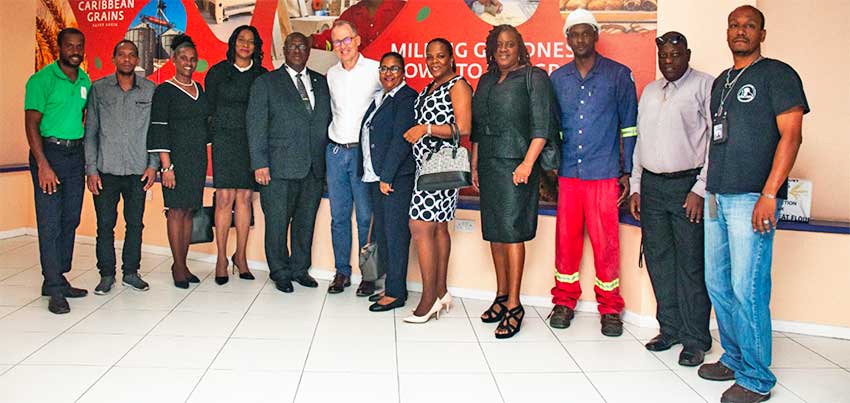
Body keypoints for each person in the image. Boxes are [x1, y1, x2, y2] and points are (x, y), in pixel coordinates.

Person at [698, 6, 808, 403]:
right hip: (716, 195)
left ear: (762, 33)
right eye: (734, 25)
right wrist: (705, 189)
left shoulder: (778, 74)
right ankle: (734, 356)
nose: (740, 32)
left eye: (749, 26)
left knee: (748, 287)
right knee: (718, 282)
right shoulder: (722, 82)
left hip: (751, 199)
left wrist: (768, 194)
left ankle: (757, 378)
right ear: (726, 32)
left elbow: (791, 137)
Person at [548, 9, 637, 336]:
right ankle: (564, 301)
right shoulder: (557, 79)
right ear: (568, 39)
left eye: (587, 33)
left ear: (596, 36)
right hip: (569, 173)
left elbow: (629, 128)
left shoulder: (618, 75)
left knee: (606, 243)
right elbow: (553, 128)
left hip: (604, 173)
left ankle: (610, 308)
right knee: (566, 242)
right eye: (575, 34)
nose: (581, 39)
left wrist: (626, 170)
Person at [628, 31, 713, 366]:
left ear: (687, 54)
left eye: (675, 55)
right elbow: (641, 143)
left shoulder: (704, 86)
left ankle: (695, 339)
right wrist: (636, 185)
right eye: (663, 56)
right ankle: (670, 328)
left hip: (686, 188)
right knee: (660, 262)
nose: (669, 62)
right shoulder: (650, 91)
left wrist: (700, 188)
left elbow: (714, 142)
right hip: (651, 187)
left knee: (691, 264)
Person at [471, 25, 556, 338]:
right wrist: (475, 164)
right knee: (495, 234)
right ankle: (501, 295)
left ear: (519, 47)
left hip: (518, 167)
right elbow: (478, 127)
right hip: (491, 166)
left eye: (509, 44)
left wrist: (527, 164)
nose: (504, 49)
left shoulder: (535, 77)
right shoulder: (486, 79)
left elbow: (542, 127)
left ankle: (515, 305)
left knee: (512, 233)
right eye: (498, 44)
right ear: (492, 50)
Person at [247, 32, 330, 293]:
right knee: (277, 223)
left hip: (313, 168)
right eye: (292, 45)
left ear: (308, 51)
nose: (297, 49)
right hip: (278, 168)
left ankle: (299, 269)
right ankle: (280, 271)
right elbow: (256, 125)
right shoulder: (266, 82)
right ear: (284, 49)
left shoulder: (321, 81)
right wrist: (259, 163)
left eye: (302, 46)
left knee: (305, 222)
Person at [402, 38, 473, 323]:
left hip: (440, 165)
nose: (434, 61)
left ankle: (428, 298)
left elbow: (464, 127)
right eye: (429, 56)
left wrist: (426, 128)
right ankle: (441, 292)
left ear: (451, 58)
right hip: (426, 165)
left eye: (440, 56)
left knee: (419, 226)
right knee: (439, 228)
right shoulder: (429, 87)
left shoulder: (458, 85)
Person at [24, 28, 91, 314]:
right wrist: (43, 164)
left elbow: (82, 117)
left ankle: (58, 276)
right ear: (59, 49)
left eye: (79, 46)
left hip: (75, 155)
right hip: (48, 153)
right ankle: (53, 287)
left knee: (70, 218)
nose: (74, 50)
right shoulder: (41, 80)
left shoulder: (85, 80)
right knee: (50, 222)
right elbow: (31, 123)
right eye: (69, 46)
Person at [84, 39, 157, 295]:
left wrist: (153, 166)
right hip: (106, 171)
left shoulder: (150, 90)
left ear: (137, 60)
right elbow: (90, 132)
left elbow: (155, 134)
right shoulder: (99, 89)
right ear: (114, 58)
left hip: (139, 171)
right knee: (105, 224)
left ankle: (131, 272)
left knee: (135, 224)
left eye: (132, 55)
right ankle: (106, 274)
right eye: (122, 55)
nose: (127, 59)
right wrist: (91, 169)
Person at [206, 25, 267, 285]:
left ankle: (240, 257)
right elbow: (208, 109)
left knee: (244, 198)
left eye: (251, 41)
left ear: (256, 47)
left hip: (250, 143)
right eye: (241, 40)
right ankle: (221, 259)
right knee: (224, 198)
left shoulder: (262, 75)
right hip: (224, 141)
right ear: (233, 43)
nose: (245, 45)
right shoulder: (218, 72)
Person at [147, 34, 209, 289]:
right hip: (175, 162)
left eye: (193, 59)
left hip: (196, 161)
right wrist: (166, 167)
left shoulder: (199, 89)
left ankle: (182, 264)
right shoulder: (164, 91)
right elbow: (159, 129)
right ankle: (178, 267)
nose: (188, 63)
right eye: (183, 58)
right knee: (175, 212)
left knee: (188, 212)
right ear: (174, 60)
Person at [325, 20, 382, 296]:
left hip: (363, 154)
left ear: (358, 40)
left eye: (347, 40)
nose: (343, 46)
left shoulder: (374, 70)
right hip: (335, 152)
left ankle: (368, 276)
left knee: (365, 217)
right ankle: (341, 272)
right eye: (337, 42)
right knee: (338, 217)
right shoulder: (330, 74)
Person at [358, 52, 418, 312]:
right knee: (383, 234)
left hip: (393, 180)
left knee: (395, 236)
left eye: (394, 69)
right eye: (384, 69)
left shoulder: (406, 98)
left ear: (403, 72)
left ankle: (396, 293)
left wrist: (387, 176)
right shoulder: (381, 98)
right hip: (376, 178)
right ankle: (390, 286)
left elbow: (401, 139)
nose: (388, 73)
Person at [311, 0, 405, 51]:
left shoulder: (403, 10)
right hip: (360, 79)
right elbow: (332, 39)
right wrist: (310, 41)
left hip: (393, 79)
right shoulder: (351, 14)